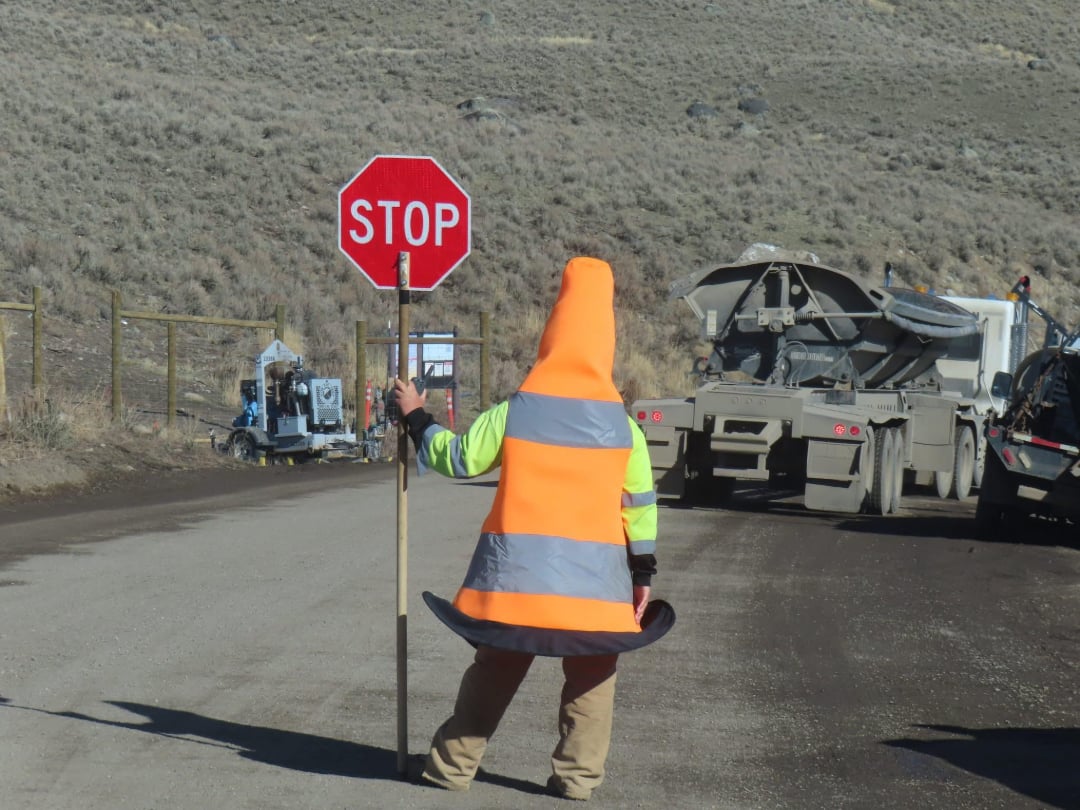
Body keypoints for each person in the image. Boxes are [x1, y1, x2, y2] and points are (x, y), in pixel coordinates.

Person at [393, 256, 674, 801]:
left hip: (515, 590)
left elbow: (458, 461)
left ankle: (450, 769)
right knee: (593, 678)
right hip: (596, 593)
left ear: (552, 334)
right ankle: (577, 780)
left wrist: (417, 417)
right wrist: (642, 574)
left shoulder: (515, 412)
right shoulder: (624, 429)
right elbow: (639, 508)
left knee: (496, 668)